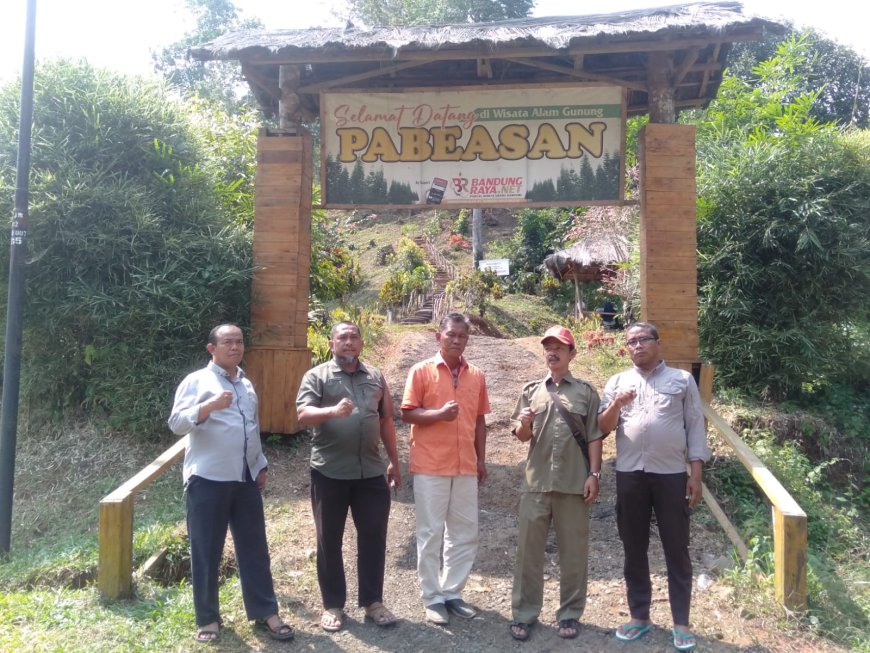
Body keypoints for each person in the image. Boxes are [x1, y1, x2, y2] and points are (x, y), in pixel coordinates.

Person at [168, 324, 293, 644]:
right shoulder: (196, 381)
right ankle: (208, 618)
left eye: (239, 342)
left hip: (246, 480)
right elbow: (176, 424)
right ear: (211, 348)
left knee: (255, 550)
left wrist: (260, 464)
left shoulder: (246, 385)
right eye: (227, 342)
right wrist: (208, 407)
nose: (235, 347)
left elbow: (251, 428)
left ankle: (266, 611)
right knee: (206, 551)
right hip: (207, 480)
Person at [598, 322, 711, 652]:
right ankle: (640, 617)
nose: (636, 346)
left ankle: (681, 623)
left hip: (671, 475)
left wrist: (696, 474)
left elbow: (695, 429)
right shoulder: (618, 382)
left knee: (676, 548)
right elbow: (601, 428)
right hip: (630, 474)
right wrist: (616, 404)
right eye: (630, 342)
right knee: (633, 548)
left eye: (643, 339)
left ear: (658, 344)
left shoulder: (682, 381)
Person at [295, 321, 402, 632]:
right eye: (342, 338)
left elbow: (386, 421)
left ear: (362, 343)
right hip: (330, 471)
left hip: (370, 472)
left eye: (354, 337)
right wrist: (330, 412)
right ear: (332, 343)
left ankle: (373, 602)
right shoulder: (317, 376)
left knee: (373, 536)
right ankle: (333, 605)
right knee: (329, 540)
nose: (349, 342)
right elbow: (302, 414)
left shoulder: (376, 377)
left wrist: (394, 462)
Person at [508, 326, 604, 642]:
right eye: (548, 346)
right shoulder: (531, 390)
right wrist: (524, 423)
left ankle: (570, 614)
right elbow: (523, 436)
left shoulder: (586, 392)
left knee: (574, 553)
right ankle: (524, 614)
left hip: (574, 484)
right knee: (528, 553)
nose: (552, 351)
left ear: (572, 353)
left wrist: (594, 474)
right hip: (536, 484)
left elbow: (594, 436)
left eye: (559, 347)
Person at [400, 312, 490, 625]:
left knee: (465, 532)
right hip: (430, 464)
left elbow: (480, 421)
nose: (455, 340)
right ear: (439, 336)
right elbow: (408, 414)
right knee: (430, 532)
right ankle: (432, 597)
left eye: (462, 336)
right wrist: (438, 414)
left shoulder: (476, 375)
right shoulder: (421, 371)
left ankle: (453, 592)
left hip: (465, 464)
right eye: (450, 334)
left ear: (467, 339)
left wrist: (481, 459)